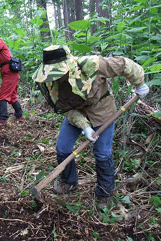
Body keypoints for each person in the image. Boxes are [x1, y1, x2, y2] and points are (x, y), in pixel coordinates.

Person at [32, 45, 149, 210]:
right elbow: (67, 110)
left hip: (103, 113)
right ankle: (69, 182)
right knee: (63, 147)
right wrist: (85, 127)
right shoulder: (52, 85)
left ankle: (104, 193)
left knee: (102, 153)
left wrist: (139, 84)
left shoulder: (91, 64)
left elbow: (124, 65)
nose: (55, 77)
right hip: (76, 115)